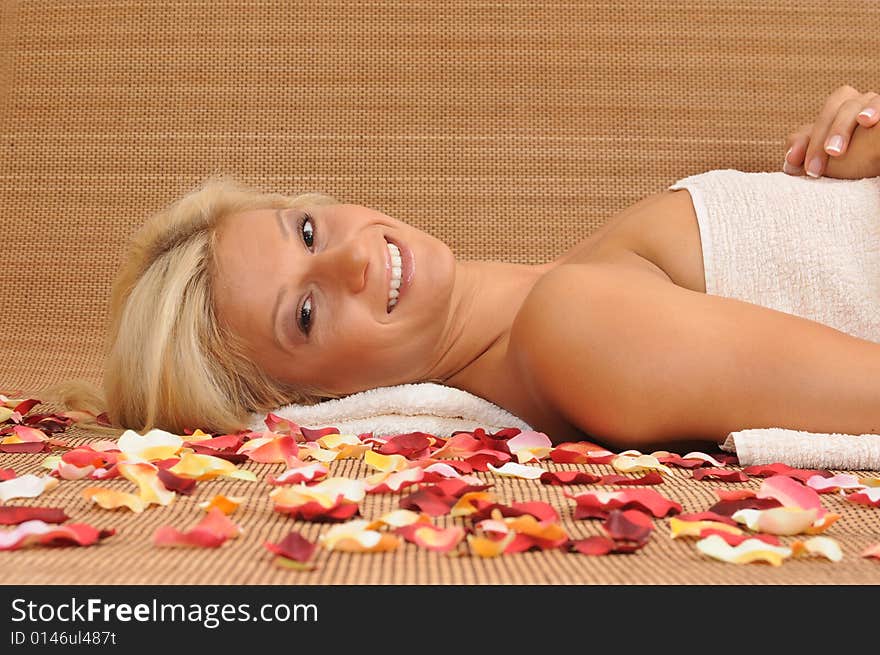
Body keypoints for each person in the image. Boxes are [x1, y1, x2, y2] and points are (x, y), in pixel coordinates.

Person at [47, 85, 880, 451]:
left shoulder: (571, 288)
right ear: (314, 407)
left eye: (306, 228)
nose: (347, 255)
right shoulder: (576, 329)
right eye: (304, 313)